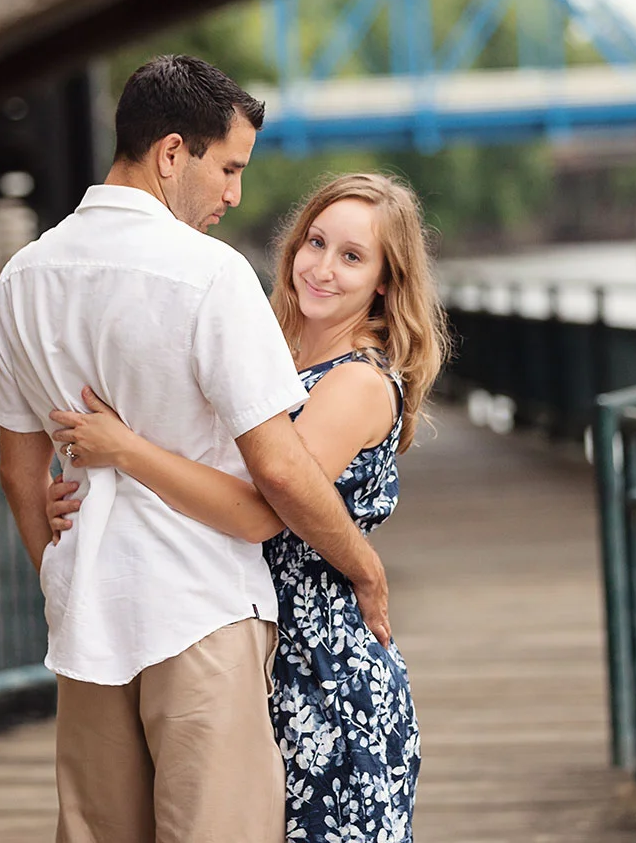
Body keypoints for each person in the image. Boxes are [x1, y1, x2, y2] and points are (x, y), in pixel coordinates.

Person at [0, 55, 391, 843]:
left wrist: (59, 574)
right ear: (172, 153)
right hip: (199, 614)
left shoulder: (22, 278)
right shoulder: (211, 276)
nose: (234, 194)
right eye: (229, 167)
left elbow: (16, 469)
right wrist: (365, 566)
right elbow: (277, 468)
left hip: (87, 624)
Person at [46, 172, 450, 843]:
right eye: (314, 242)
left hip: (324, 670)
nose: (321, 267)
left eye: (352, 256)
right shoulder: (276, 356)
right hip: (254, 646)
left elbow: (260, 507)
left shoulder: (355, 381)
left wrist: (124, 449)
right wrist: (85, 482)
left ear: (385, 280)